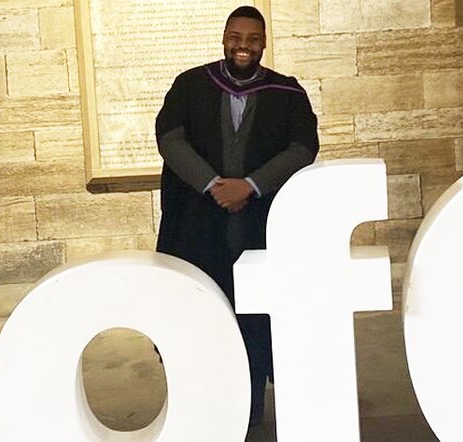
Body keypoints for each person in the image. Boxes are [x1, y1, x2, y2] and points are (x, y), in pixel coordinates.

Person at [153, 5, 318, 429]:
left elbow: (302, 148)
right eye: (235, 37)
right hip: (199, 231)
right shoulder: (190, 86)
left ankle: (250, 413)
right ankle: (208, 409)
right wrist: (213, 184)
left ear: (263, 43)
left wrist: (251, 185)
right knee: (203, 317)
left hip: (261, 230)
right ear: (224, 38)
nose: (243, 46)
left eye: (252, 39)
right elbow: (170, 139)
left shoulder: (287, 93)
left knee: (257, 321)